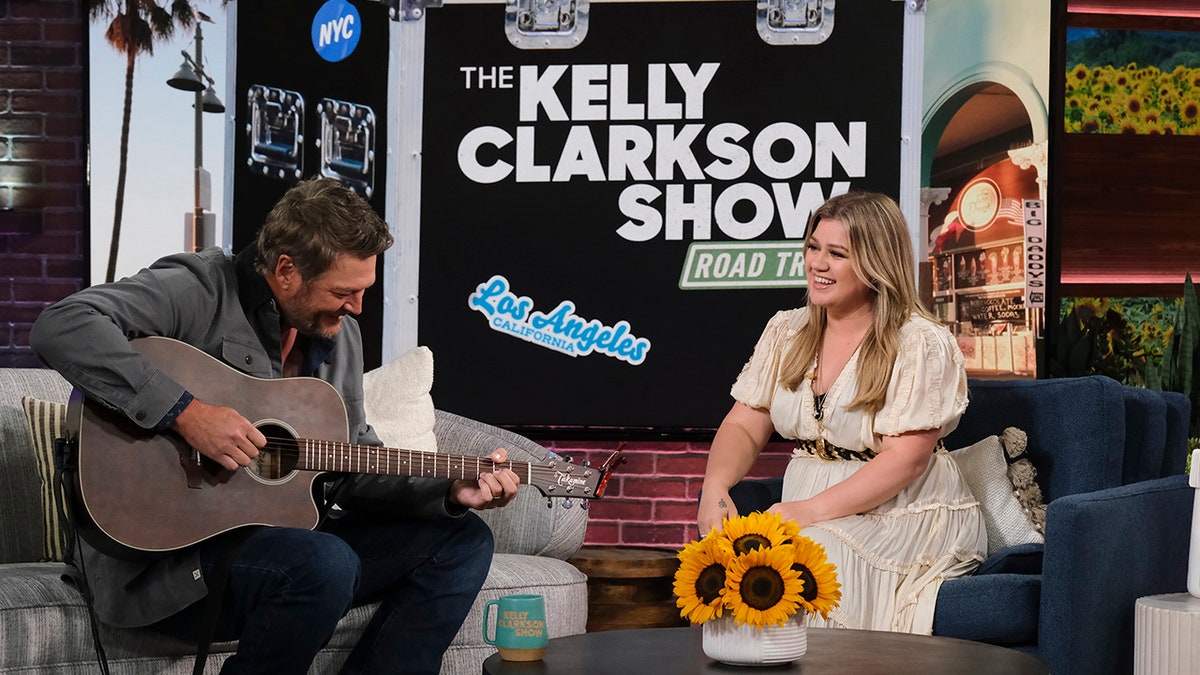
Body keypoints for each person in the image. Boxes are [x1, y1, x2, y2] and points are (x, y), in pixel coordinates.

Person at [30, 177, 521, 674]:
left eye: (363, 290)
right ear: (285, 270)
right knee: (325, 560)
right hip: (171, 562)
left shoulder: (340, 335)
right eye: (344, 291)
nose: (356, 308)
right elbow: (64, 325)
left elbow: (351, 459)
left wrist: (451, 490)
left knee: (463, 540)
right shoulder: (197, 288)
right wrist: (188, 414)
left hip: (283, 545)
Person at [696, 191, 985, 635]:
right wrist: (714, 488)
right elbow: (743, 424)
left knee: (802, 563)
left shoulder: (919, 341)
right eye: (813, 247)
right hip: (807, 508)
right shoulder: (785, 330)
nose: (817, 263)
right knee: (739, 566)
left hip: (904, 511)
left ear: (876, 263)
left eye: (837, 254)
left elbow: (907, 459)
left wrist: (807, 511)